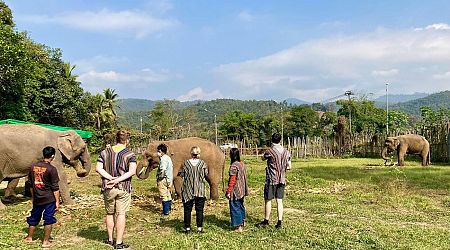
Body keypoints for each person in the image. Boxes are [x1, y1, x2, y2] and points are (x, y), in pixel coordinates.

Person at [96, 130, 137, 249]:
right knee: (121, 214)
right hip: (123, 187)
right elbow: (132, 171)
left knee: (109, 213)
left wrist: (110, 178)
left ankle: (110, 239)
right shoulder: (130, 154)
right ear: (127, 140)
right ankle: (119, 243)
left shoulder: (105, 152)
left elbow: (98, 168)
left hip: (108, 187)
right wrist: (118, 179)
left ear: (116, 139)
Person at [24, 146, 60, 248]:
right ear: (52, 156)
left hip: (37, 198)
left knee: (34, 216)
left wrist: (33, 196)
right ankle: (46, 241)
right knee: (48, 218)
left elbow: (30, 184)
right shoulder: (52, 169)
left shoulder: (33, 166)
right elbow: (55, 188)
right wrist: (57, 201)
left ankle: (29, 237)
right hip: (49, 199)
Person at [258, 132, 291, 229]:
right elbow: (289, 166)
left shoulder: (270, 151)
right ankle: (279, 222)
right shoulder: (286, 152)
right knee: (279, 201)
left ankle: (266, 221)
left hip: (272, 179)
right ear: (280, 140)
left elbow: (262, 158)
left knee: (268, 200)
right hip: (282, 179)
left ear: (272, 140)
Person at [178, 146, 209, 234]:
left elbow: (182, 174)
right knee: (199, 210)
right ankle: (199, 229)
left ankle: (187, 229)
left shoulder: (186, 163)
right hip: (200, 189)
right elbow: (206, 174)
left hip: (188, 190)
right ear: (199, 153)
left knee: (187, 210)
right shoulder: (203, 163)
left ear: (191, 153)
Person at [225, 148, 249, 233]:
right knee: (241, 205)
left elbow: (232, 180)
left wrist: (228, 191)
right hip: (242, 189)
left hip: (236, 190)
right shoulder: (241, 164)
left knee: (235, 207)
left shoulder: (234, 166)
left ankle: (238, 227)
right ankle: (243, 221)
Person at [156, 143, 173, 216]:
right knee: (168, 194)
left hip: (163, 180)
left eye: (159, 151)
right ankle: (169, 209)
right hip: (169, 180)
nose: (158, 153)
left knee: (163, 195)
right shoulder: (168, 158)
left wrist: (160, 178)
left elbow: (163, 169)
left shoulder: (163, 159)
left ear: (162, 151)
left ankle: (165, 212)